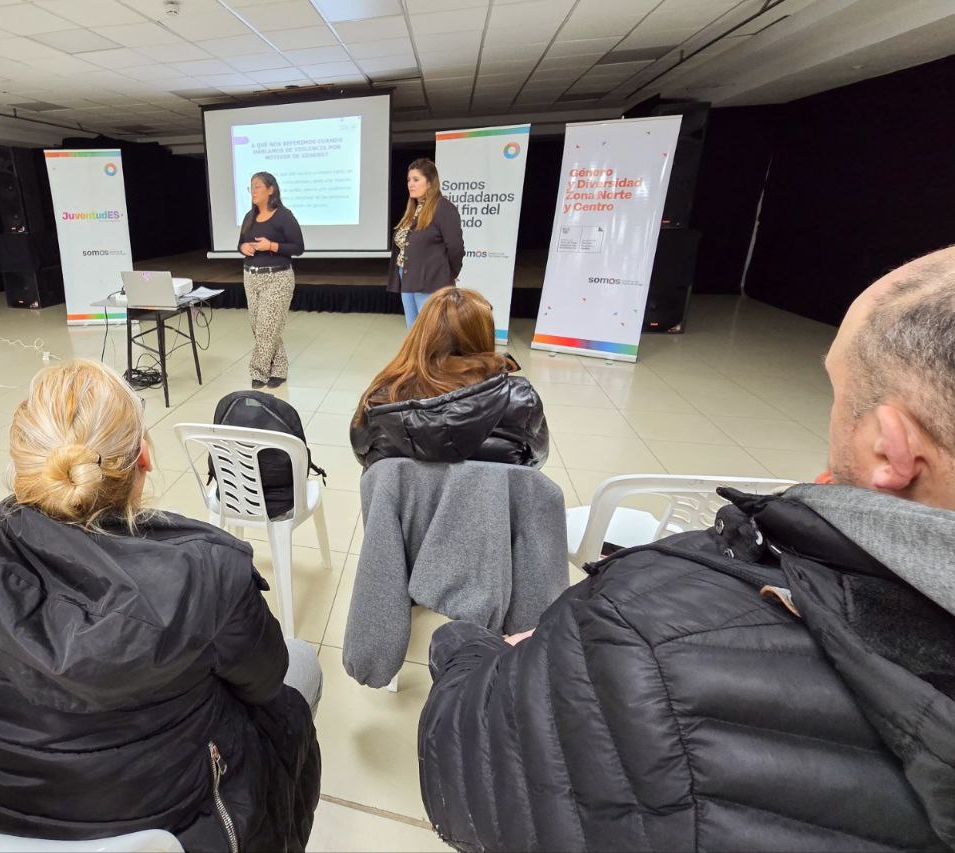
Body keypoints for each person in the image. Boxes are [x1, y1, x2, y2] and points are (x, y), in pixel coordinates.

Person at [417, 246, 955, 851]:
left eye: (838, 392)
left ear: (891, 449)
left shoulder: (645, 625)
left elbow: (464, 770)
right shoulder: (647, 625)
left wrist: (468, 649)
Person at [0, 358, 322, 850]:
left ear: (23, 463)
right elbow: (265, 680)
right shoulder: (208, 572)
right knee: (303, 665)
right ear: (144, 458)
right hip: (171, 829)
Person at [350, 286, 548, 470]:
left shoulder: (379, 398)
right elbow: (535, 462)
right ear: (484, 334)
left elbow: (364, 456)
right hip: (493, 497)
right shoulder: (520, 399)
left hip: (405, 497)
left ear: (421, 334)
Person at [239, 172, 304, 390]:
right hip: (250, 277)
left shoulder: (284, 216)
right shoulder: (249, 217)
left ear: (271, 189)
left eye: (257, 186)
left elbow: (298, 247)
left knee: (267, 328)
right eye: (251, 187)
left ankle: (259, 371)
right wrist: (243, 247)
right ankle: (279, 369)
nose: (253, 191)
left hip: (277, 278)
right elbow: (241, 243)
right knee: (260, 327)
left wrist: (271, 246)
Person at [388, 159, 464, 328]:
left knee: (431, 330)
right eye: (409, 180)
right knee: (413, 329)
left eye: (416, 179)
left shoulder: (443, 208)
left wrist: (449, 273)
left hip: (430, 279)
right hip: (407, 276)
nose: (410, 184)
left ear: (430, 182)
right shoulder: (413, 209)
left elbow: (456, 247)